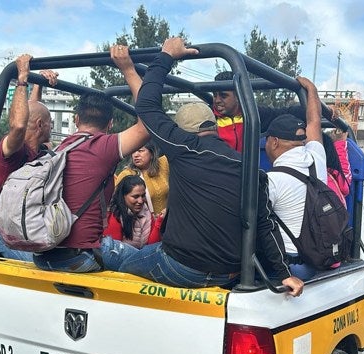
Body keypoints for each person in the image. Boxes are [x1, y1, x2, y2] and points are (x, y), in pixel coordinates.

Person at [121, 37, 303, 296]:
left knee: (121, 261)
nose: (218, 100)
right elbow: (265, 224)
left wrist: (166, 56)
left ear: (185, 131)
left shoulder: (182, 147)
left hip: (183, 266)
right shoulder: (252, 170)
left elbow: (147, 105)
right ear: (213, 126)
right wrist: (285, 274)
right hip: (230, 270)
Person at [32, 45, 150, 273]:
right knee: (149, 257)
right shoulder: (103, 146)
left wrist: (37, 83)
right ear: (110, 124)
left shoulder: (60, 149)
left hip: (44, 254)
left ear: (76, 119)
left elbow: (31, 125)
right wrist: (128, 69)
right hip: (80, 255)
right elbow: (148, 124)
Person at [0, 54, 59, 261]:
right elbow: (21, 125)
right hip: (7, 236)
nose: (52, 127)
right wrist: (22, 78)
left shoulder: (38, 153)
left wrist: (39, 84)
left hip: (29, 231)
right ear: (41, 125)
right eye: (50, 123)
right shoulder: (13, 151)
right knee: (49, 264)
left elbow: (30, 114)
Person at [263, 77, 326, 280]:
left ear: (273, 142)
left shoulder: (272, 180)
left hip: (290, 268)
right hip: (315, 261)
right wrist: (311, 90)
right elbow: (314, 122)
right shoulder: (316, 158)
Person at [212, 71, 305, 152]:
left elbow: (286, 113)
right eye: (214, 95)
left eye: (223, 96)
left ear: (238, 96)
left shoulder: (254, 115)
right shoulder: (209, 117)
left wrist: (312, 106)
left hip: (246, 170)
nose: (217, 100)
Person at [104, 175, 163, 248]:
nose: (141, 201)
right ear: (123, 196)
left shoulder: (146, 211)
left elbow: (152, 246)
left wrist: (159, 222)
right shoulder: (115, 216)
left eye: (143, 195)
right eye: (135, 197)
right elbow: (113, 251)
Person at [115, 141, 169, 215]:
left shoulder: (163, 165)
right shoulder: (126, 175)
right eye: (133, 151)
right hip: (143, 224)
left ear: (152, 153)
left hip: (167, 221)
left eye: (140, 151)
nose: (135, 155)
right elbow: (116, 202)